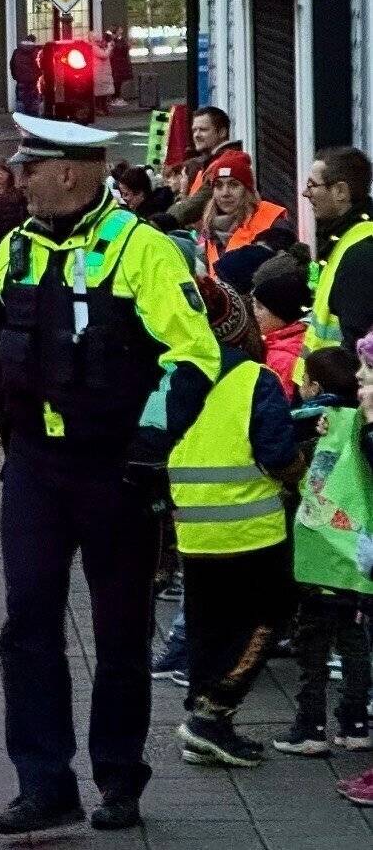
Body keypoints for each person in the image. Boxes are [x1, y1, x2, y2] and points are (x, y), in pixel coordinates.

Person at [0, 113, 221, 836]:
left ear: (68, 171)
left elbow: (192, 355)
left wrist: (149, 445)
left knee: (119, 631)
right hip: (35, 468)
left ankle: (119, 778)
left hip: (114, 472)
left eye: (29, 169)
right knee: (26, 625)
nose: (17, 181)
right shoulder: (14, 249)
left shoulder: (141, 250)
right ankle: (44, 783)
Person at [167, 272, 301, 767]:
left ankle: (204, 724)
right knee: (268, 617)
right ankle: (212, 715)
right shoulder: (253, 378)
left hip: (194, 527)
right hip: (252, 528)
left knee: (207, 625)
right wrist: (299, 474)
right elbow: (277, 452)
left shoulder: (173, 373)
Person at [280, 344, 373, 768]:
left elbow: (275, 429)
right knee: (354, 643)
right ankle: (355, 726)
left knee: (312, 646)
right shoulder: (362, 422)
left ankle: (309, 728)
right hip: (355, 555)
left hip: (316, 552)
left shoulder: (312, 420)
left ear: (314, 386)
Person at [302, 149, 373, 385]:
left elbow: (356, 346)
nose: (305, 193)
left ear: (340, 192)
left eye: (312, 185)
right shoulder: (344, 238)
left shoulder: (360, 252)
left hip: (337, 398)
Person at [196, 151, 290, 272]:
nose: (225, 193)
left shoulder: (273, 223)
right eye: (219, 185)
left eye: (233, 185)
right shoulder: (210, 231)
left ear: (248, 190)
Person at [250, 248, 315, 396]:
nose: (255, 312)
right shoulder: (281, 342)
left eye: (260, 307)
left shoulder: (282, 359)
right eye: (253, 304)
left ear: (281, 311)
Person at [10, 33, 42, 117]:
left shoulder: (17, 51)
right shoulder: (37, 51)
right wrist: (39, 76)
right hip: (34, 81)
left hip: (21, 80)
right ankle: (34, 119)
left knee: (20, 101)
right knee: (34, 100)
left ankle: (21, 119)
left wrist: (16, 76)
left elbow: (12, 65)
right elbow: (41, 66)